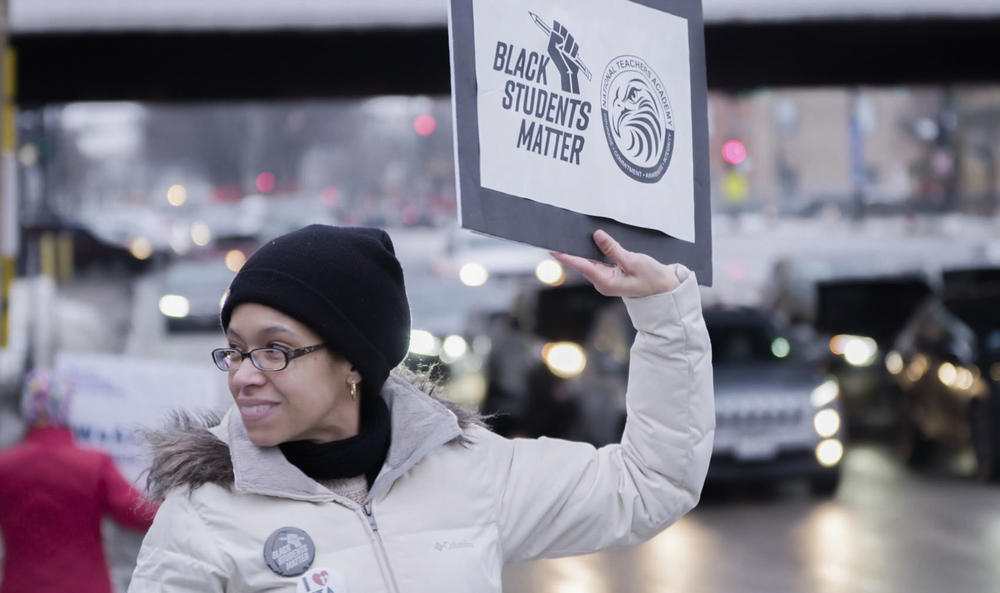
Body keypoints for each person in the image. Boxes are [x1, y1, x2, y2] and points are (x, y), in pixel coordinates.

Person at [128, 224, 714, 592]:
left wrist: (663, 314)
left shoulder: (469, 472)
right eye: (234, 351)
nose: (244, 376)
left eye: (275, 351)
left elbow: (650, 484)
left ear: (353, 362)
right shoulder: (202, 520)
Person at [0, 368, 158, 593]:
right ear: (66, 406)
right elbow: (136, 511)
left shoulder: (5, 466)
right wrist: (184, 505)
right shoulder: (93, 464)